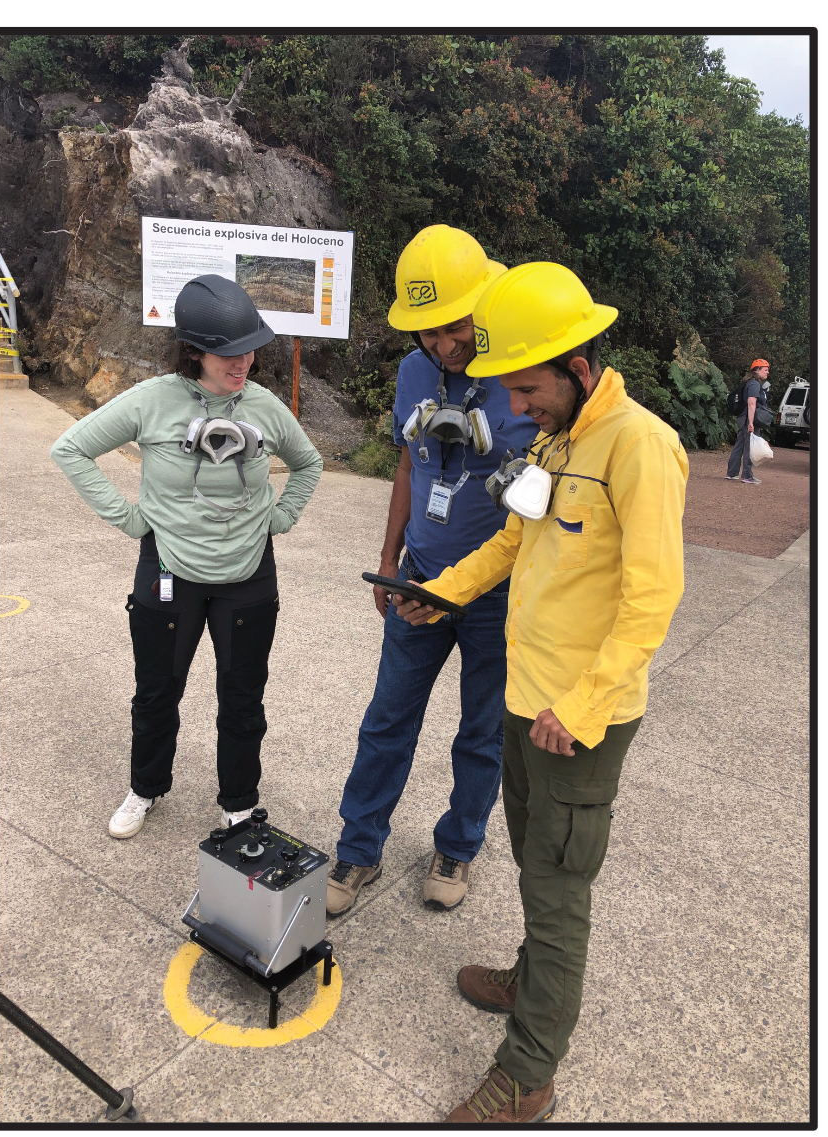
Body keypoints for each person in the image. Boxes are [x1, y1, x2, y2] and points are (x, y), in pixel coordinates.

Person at [397, 260, 687, 1123]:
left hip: (576, 720)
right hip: (528, 701)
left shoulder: (638, 446)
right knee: (534, 864)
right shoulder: (555, 443)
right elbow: (513, 549)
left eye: (525, 389)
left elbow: (652, 597)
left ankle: (526, 1077)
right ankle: (531, 979)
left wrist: (586, 706)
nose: (514, 408)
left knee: (559, 891)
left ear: (576, 366)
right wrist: (438, 591)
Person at [49, 274, 323, 840]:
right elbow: (70, 447)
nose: (243, 360)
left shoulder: (265, 407)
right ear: (194, 350)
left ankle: (240, 803)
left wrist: (280, 517)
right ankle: (145, 788)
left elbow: (308, 462)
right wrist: (129, 520)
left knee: (243, 695)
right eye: (228, 352)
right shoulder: (153, 401)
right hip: (169, 569)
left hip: (248, 573)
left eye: (249, 347)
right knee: (156, 689)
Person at [328, 227, 535, 920]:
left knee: (480, 729)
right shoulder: (413, 372)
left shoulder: (519, 367)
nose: (442, 344)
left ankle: (458, 846)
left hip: (493, 593)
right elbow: (406, 465)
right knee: (387, 717)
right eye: (426, 332)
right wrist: (389, 561)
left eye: (453, 326)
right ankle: (357, 848)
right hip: (418, 579)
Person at [727, 358, 771, 485]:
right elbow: (751, 403)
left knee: (740, 444)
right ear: (757, 370)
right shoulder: (754, 384)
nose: (767, 373)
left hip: (743, 417)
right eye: (765, 370)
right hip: (748, 418)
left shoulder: (749, 382)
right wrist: (751, 423)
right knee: (749, 446)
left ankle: (732, 473)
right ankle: (747, 475)